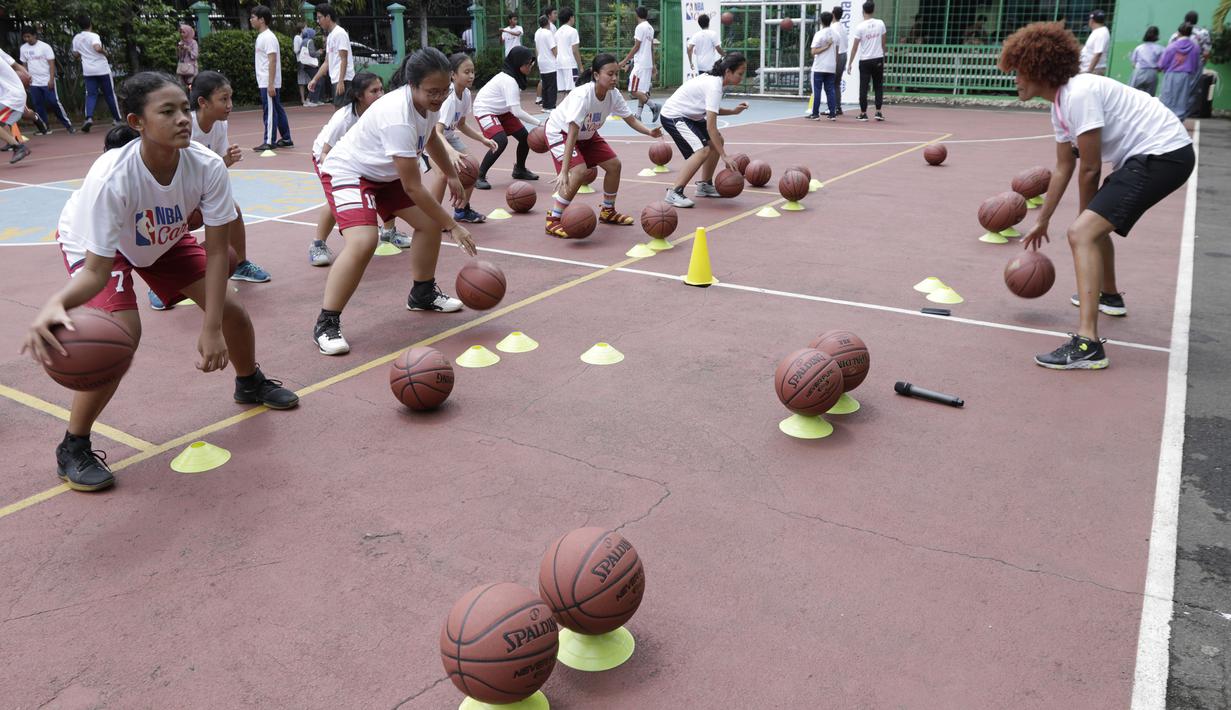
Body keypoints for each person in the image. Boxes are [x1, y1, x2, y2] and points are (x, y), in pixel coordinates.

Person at [22, 71, 299, 492]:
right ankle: (73, 445)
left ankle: (249, 382)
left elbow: (218, 250)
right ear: (137, 123)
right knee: (121, 336)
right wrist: (56, 303)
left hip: (161, 236)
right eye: (167, 112)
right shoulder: (112, 177)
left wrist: (211, 331)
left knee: (231, 310)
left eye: (185, 108)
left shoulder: (206, 166)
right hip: (102, 244)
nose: (183, 119)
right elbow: (96, 271)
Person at [998, 22, 1193, 370]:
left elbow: (1089, 168)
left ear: (1038, 68)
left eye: (1019, 71)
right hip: (1153, 155)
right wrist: (1042, 220)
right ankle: (1110, 295)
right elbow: (1063, 168)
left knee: (1084, 232)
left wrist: (1081, 223)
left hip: (1163, 154)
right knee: (1091, 227)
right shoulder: (1059, 105)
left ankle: (1088, 344)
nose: (1015, 79)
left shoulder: (1080, 93)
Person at [313, 48, 476, 356]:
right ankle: (326, 322)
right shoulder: (396, 116)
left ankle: (422, 293)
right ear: (411, 85)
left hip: (383, 173)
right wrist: (453, 226)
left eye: (443, 90)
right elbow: (414, 188)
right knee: (364, 241)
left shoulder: (429, 102)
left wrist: (451, 175)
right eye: (432, 92)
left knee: (427, 225)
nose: (439, 97)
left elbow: (430, 138)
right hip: (350, 171)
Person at [543, 53, 661, 239]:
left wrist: (649, 132)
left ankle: (608, 211)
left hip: (587, 133)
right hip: (560, 132)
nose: (614, 78)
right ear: (596, 75)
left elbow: (630, 120)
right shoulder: (583, 96)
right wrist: (565, 170)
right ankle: (553, 220)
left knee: (615, 165)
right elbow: (572, 132)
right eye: (610, 74)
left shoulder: (613, 95)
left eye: (617, 74)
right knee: (580, 171)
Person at [307, 72, 411, 267]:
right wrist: (336, 182)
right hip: (329, 158)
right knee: (337, 199)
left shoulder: (383, 112)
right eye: (374, 91)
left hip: (360, 158)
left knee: (389, 183)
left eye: (381, 89)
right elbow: (325, 153)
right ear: (359, 96)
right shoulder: (344, 118)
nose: (380, 94)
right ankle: (318, 244)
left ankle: (388, 233)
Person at [186, 71, 271, 289]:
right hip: (177, 191)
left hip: (201, 188)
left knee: (234, 212)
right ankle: (162, 283)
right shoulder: (187, 126)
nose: (230, 104)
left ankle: (240, 264)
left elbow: (215, 169)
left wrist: (226, 160)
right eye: (223, 99)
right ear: (203, 102)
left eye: (230, 98)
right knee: (175, 227)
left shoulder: (220, 124)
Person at [658, 52, 749, 208]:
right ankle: (674, 192)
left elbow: (710, 109)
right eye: (740, 74)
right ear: (728, 71)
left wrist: (733, 111)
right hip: (674, 116)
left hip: (690, 115)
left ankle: (705, 186)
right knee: (702, 150)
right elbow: (711, 126)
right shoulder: (714, 86)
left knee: (717, 141)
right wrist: (724, 156)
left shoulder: (715, 81)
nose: (742, 77)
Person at [435, 53, 497, 224]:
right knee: (442, 175)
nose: (471, 75)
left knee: (472, 168)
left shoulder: (467, 94)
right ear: (453, 75)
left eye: (472, 71)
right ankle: (433, 218)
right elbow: (436, 131)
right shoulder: (448, 97)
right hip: (432, 139)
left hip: (448, 137)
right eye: (466, 72)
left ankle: (462, 210)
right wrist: (451, 152)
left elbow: (461, 124)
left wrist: (482, 139)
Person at [471, 45, 542, 191]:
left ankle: (519, 170)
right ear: (517, 63)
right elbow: (517, 112)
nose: (530, 66)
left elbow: (512, 110)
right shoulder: (509, 81)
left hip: (502, 110)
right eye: (527, 63)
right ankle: (479, 175)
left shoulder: (514, 76)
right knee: (500, 141)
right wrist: (539, 123)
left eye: (531, 63)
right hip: (485, 109)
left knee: (525, 138)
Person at [20, 26, 76, 135]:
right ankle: (45, 127)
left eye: (29, 36)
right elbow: (24, 65)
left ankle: (68, 125)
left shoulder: (45, 47)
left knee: (54, 102)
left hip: (46, 80)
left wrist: (51, 79)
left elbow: (51, 64)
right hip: (33, 82)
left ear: (34, 35)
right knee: (38, 104)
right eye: (25, 37)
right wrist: (26, 79)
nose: (27, 39)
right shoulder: (23, 48)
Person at [251, 6, 292, 152]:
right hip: (266, 80)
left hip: (267, 81)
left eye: (253, 17)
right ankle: (286, 138)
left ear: (262, 20)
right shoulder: (262, 36)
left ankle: (269, 141)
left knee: (269, 111)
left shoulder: (268, 37)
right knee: (277, 109)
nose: (251, 20)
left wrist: (270, 84)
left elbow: (272, 60)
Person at [72, 15, 121, 133]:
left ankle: (88, 118)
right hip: (102, 69)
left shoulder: (77, 38)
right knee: (109, 94)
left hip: (88, 70)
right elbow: (97, 48)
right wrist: (106, 52)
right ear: (90, 25)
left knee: (90, 94)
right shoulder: (94, 36)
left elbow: (75, 54)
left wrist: (83, 55)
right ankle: (117, 119)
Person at [308, 3, 355, 107]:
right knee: (340, 113)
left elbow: (344, 59)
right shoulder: (330, 36)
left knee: (343, 114)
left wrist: (341, 81)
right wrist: (315, 79)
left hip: (344, 80)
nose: (318, 21)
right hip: (337, 79)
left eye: (319, 18)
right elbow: (327, 62)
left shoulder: (340, 33)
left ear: (328, 17)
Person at [846, 1, 886, 122]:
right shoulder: (880, 23)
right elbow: (883, 43)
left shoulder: (860, 27)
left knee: (863, 87)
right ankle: (878, 112)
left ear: (863, 11)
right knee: (878, 85)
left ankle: (863, 113)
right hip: (878, 58)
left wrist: (850, 63)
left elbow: (854, 47)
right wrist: (882, 56)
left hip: (865, 60)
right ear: (873, 10)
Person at [620, 6, 661, 123]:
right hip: (647, 64)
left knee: (633, 90)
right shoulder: (650, 28)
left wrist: (624, 61)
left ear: (637, 15)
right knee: (642, 91)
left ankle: (654, 106)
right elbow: (651, 48)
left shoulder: (640, 27)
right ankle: (638, 115)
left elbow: (636, 46)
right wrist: (653, 65)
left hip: (641, 64)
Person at [1170, 11, 1213, 117]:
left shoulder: (1176, 34)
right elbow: (1207, 52)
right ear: (1196, 20)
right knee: (1191, 90)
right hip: (1196, 63)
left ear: (1185, 19)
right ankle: (1183, 114)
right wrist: (1202, 62)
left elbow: (1170, 49)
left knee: (1177, 88)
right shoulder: (1203, 32)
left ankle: (1173, 113)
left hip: (1178, 64)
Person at [1159, 23, 1201, 119]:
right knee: (1182, 99)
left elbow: (1163, 63)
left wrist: (1164, 69)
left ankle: (1165, 120)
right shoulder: (1195, 47)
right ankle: (1179, 121)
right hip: (1186, 76)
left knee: (1167, 98)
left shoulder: (1172, 46)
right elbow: (1195, 65)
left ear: (1178, 33)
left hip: (1171, 74)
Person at [0, 48, 33, 163]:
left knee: (27, 114)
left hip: (12, 97)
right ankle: (16, 146)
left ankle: (18, 147)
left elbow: (15, 65)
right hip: (8, 96)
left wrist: (27, 75)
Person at [808, 11, 839, 121]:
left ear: (821, 21)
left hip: (820, 66)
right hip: (831, 66)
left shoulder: (819, 34)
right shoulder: (836, 34)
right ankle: (832, 114)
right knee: (830, 90)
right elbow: (837, 52)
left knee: (817, 90)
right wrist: (834, 65)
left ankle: (815, 113)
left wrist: (825, 47)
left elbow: (813, 51)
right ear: (831, 20)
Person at [555, 8, 582, 98]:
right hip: (570, 64)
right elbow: (575, 50)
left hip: (559, 64)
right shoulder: (573, 31)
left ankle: (565, 110)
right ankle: (570, 110)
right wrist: (580, 66)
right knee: (572, 90)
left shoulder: (557, 32)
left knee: (565, 90)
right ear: (571, 18)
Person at [687, 14, 723, 80]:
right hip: (711, 65)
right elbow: (718, 48)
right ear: (708, 22)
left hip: (700, 65)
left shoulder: (696, 35)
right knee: (711, 85)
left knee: (703, 84)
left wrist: (691, 63)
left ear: (699, 24)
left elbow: (689, 49)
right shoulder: (713, 34)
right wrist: (724, 55)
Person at [1129, 26, 1162, 96]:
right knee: (1149, 97)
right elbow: (1162, 64)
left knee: (1132, 94)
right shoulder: (1160, 48)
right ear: (1157, 36)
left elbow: (1133, 63)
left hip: (1139, 71)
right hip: (1152, 73)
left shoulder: (1139, 48)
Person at [535, 16, 559, 112]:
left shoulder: (537, 33)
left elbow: (536, 47)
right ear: (548, 23)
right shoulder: (548, 33)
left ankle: (545, 105)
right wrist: (558, 57)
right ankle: (551, 106)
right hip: (550, 62)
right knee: (552, 85)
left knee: (545, 83)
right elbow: (553, 48)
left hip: (541, 61)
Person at [295, 25, 321, 106]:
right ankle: (310, 100)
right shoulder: (310, 41)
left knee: (315, 81)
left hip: (304, 64)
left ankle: (311, 100)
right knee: (317, 81)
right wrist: (319, 53)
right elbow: (312, 53)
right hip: (310, 65)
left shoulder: (303, 41)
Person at [1080, 10, 1110, 75]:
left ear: (1091, 21)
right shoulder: (1098, 31)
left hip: (1094, 69)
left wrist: (1089, 71)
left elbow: (1098, 53)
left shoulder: (1101, 33)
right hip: (1089, 69)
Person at [832, 5, 848, 115]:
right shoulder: (842, 27)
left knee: (831, 83)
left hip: (837, 56)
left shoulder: (833, 27)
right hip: (843, 55)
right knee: (836, 83)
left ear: (833, 14)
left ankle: (833, 107)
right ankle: (837, 107)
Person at [177, 23, 198, 90]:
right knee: (182, 86)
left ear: (188, 32)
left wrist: (188, 49)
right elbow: (179, 57)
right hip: (182, 67)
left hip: (191, 67)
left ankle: (192, 98)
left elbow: (195, 55)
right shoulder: (181, 42)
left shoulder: (193, 42)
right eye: (181, 32)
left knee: (191, 85)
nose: (182, 34)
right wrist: (180, 50)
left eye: (183, 32)